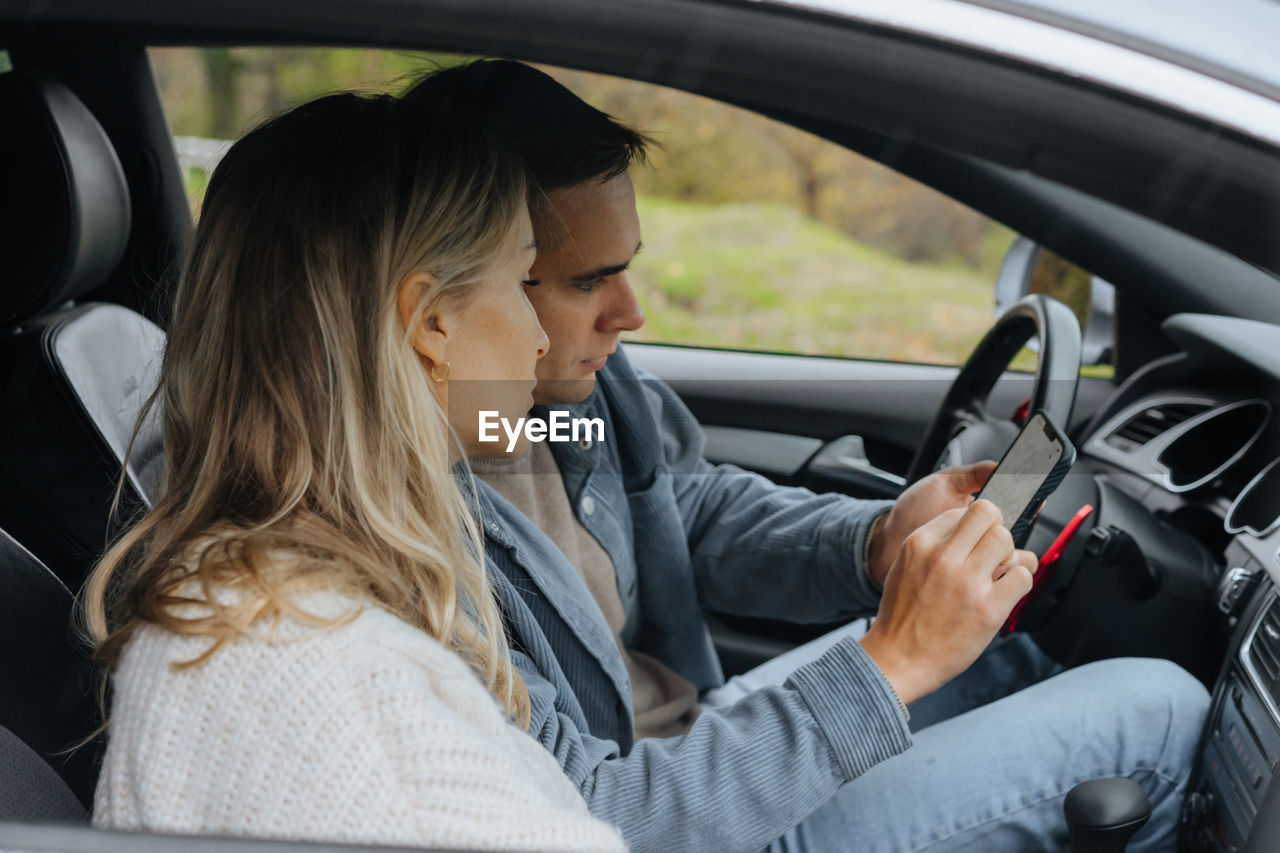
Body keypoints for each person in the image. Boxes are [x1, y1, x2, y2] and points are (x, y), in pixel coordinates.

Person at [402, 60, 1210, 853]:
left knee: (1009, 628)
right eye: (586, 282)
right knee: (1163, 709)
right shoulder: (406, 537)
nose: (634, 313)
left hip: (705, 737)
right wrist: (890, 663)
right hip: (678, 813)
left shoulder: (548, 410)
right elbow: (595, 821)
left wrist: (876, 539)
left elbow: (681, 507)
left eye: (630, 267)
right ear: (447, 303)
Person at [82, 92, 626, 853]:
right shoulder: (314, 669)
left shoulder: (281, 600)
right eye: (523, 279)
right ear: (431, 318)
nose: (538, 337)